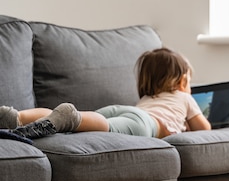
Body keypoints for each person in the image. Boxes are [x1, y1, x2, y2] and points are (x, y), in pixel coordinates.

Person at [0, 47, 212, 140]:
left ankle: (18, 116)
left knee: (88, 122)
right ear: (183, 80)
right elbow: (204, 129)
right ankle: (73, 117)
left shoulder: (148, 98)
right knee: (102, 126)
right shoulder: (185, 98)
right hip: (146, 124)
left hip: (123, 110)